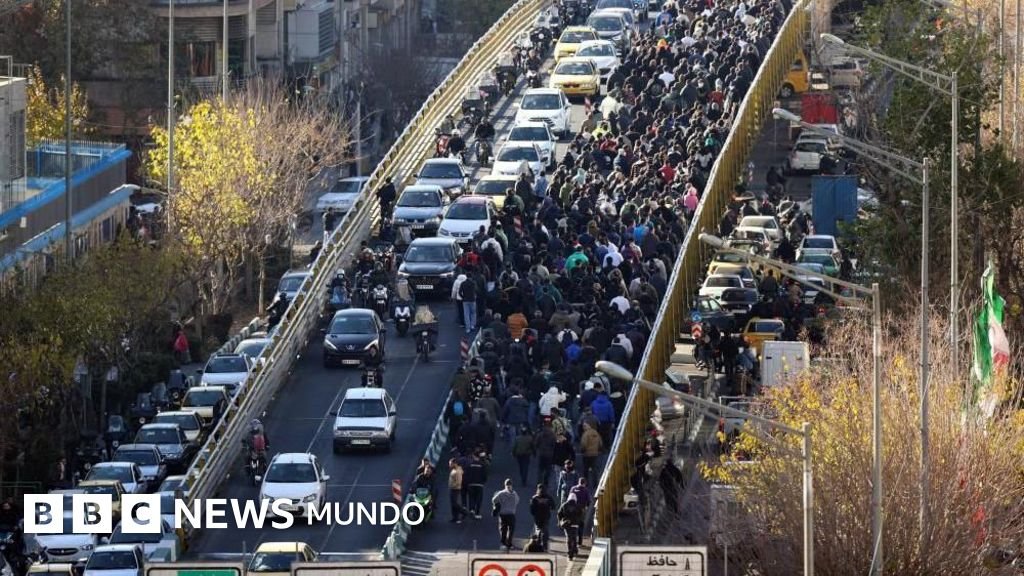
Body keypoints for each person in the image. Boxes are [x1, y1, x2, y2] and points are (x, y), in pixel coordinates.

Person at [491, 479, 520, 551]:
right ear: (511, 485)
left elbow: (494, 500)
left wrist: (499, 505)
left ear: (505, 485)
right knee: (511, 530)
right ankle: (509, 543)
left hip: (503, 514)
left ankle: (503, 543)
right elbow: (517, 501)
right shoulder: (514, 494)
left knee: (503, 529)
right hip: (511, 514)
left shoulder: (501, 493)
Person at [557, 492, 584, 560]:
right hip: (575, 524)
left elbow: (559, 514)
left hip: (567, 524)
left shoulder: (564, 505)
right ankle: (574, 549)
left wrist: (560, 521)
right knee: (574, 537)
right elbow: (581, 515)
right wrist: (579, 522)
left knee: (569, 537)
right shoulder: (578, 506)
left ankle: (570, 553)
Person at [529, 483, 555, 550]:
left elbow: (532, 509)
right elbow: (553, 507)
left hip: (537, 517)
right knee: (545, 530)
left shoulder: (534, 498)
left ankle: (538, 543)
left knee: (538, 530)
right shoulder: (548, 497)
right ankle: (545, 546)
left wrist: (534, 514)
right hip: (546, 516)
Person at [465, 452, 488, 518]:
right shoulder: (482, 464)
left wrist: (468, 482)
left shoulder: (470, 464)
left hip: (471, 484)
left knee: (471, 497)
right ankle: (477, 513)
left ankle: (472, 509)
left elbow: (466, 474)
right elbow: (485, 475)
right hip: (479, 484)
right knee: (479, 498)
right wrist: (483, 482)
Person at [448, 458, 467, 523]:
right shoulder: (454, 470)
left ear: (455, 463)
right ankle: (455, 517)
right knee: (453, 504)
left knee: (455, 504)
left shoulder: (457, 471)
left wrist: (452, 486)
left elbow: (459, 481)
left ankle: (464, 512)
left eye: (450, 464)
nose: (449, 465)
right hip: (452, 488)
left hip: (455, 489)